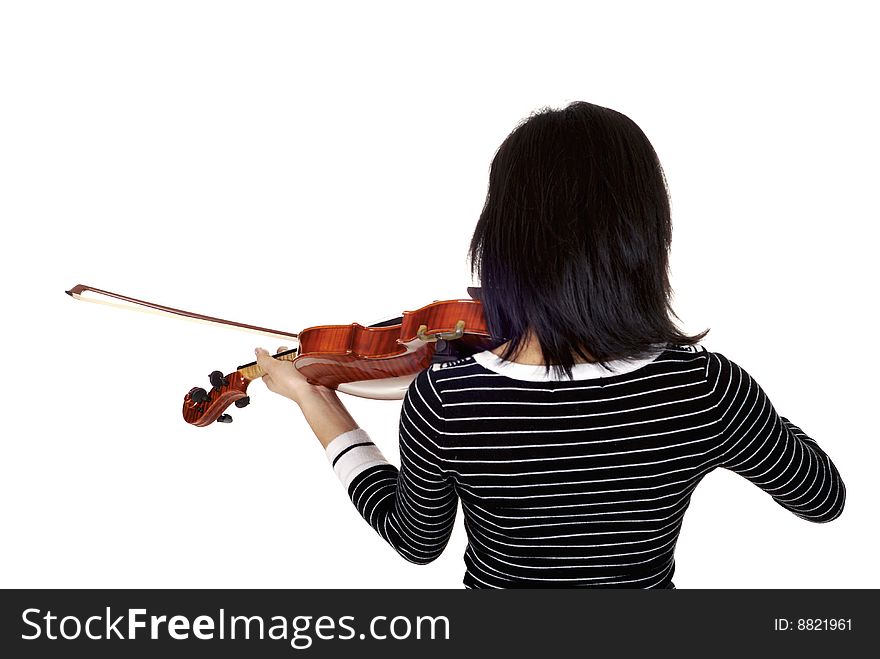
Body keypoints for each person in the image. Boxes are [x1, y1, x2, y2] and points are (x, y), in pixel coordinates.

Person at [254, 101, 845, 588]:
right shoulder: (708, 390)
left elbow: (416, 541)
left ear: (501, 238)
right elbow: (822, 498)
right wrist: (744, 415)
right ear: (644, 240)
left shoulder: (447, 399)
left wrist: (316, 401)